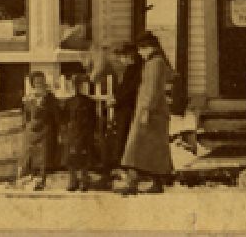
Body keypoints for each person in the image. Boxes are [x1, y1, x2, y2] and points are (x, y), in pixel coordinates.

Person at [120, 32, 175, 195]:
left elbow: (152, 90)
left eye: (141, 50)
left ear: (148, 48)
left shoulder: (155, 63)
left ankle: (132, 183)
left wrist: (147, 111)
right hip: (153, 112)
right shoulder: (157, 62)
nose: (140, 54)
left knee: (134, 149)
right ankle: (156, 183)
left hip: (150, 112)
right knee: (153, 150)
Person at [103, 42, 141, 183]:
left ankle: (122, 169)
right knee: (118, 138)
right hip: (123, 108)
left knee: (123, 138)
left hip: (128, 109)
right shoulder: (130, 69)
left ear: (128, 56)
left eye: (122, 57)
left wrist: (116, 100)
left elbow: (131, 91)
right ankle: (117, 168)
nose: (121, 61)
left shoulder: (136, 70)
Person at [18, 71, 59, 191]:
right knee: (28, 155)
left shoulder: (50, 97)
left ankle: (42, 180)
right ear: (33, 83)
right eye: (37, 82)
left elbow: (56, 115)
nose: (40, 83)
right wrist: (26, 126)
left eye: (42, 81)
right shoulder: (28, 98)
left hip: (45, 130)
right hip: (31, 131)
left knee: (44, 156)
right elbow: (25, 115)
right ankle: (27, 179)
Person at [61, 73, 99, 191]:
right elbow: (64, 118)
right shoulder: (69, 102)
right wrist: (66, 130)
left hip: (86, 132)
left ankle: (84, 179)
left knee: (84, 155)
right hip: (73, 132)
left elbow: (94, 118)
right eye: (78, 85)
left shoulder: (90, 102)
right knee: (71, 156)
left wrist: (93, 131)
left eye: (83, 85)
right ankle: (72, 179)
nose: (81, 88)